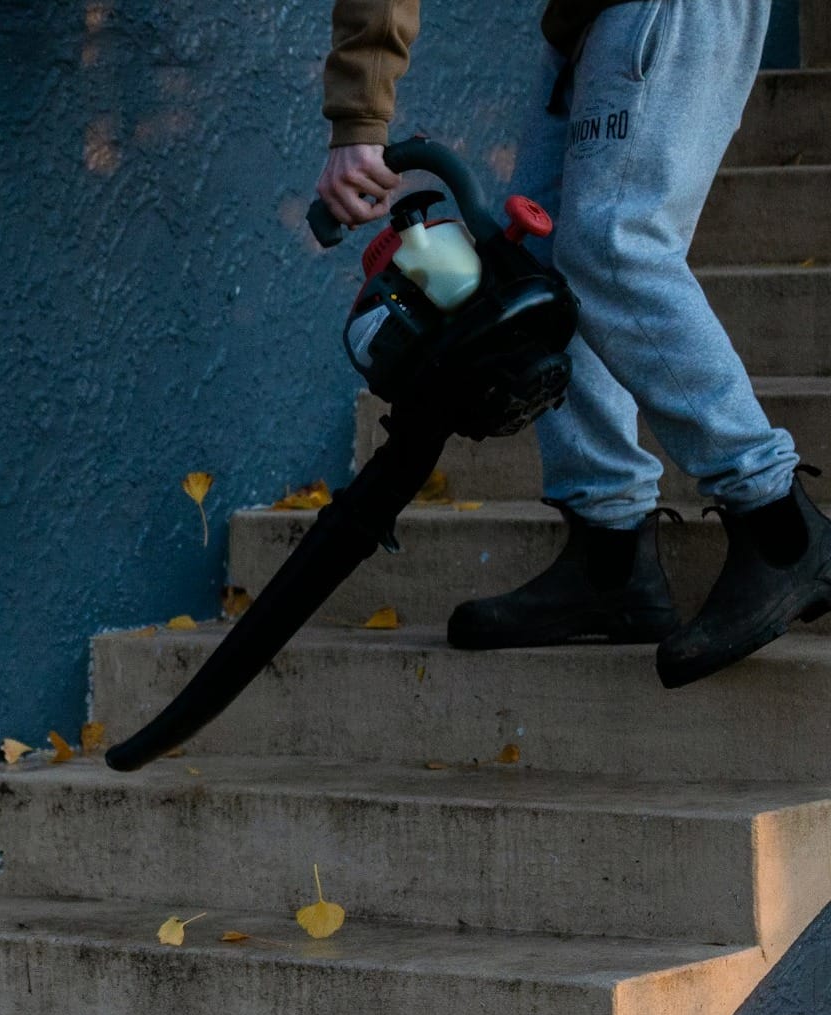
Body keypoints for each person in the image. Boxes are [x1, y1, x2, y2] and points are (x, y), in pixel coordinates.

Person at [314, 0, 831, 687]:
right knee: (541, 267)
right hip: (593, 23)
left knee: (613, 246)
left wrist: (359, 116)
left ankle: (780, 528)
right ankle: (610, 556)